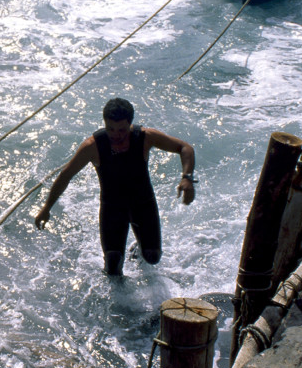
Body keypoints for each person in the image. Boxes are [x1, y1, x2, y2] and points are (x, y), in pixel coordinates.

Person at [34, 98, 195, 276]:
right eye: (110, 129)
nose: (116, 135)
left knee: (152, 257)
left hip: (143, 203)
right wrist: (46, 208)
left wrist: (187, 177)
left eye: (122, 130)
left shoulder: (145, 137)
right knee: (113, 266)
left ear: (130, 125)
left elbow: (185, 147)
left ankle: (138, 250)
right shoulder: (92, 146)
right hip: (112, 208)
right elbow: (66, 175)